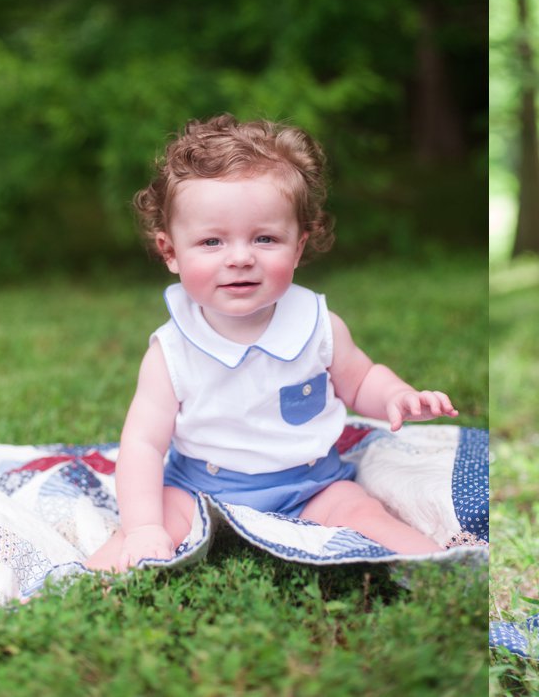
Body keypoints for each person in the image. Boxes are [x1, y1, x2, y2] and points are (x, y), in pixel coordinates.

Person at [86, 114, 458, 572]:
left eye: (265, 238)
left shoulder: (317, 326)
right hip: (200, 488)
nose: (241, 258)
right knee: (146, 528)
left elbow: (361, 381)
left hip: (313, 485)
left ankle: (444, 568)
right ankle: (80, 585)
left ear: (298, 247)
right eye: (212, 242)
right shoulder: (172, 351)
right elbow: (143, 444)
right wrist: (144, 526)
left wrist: (397, 396)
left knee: (363, 512)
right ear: (170, 252)